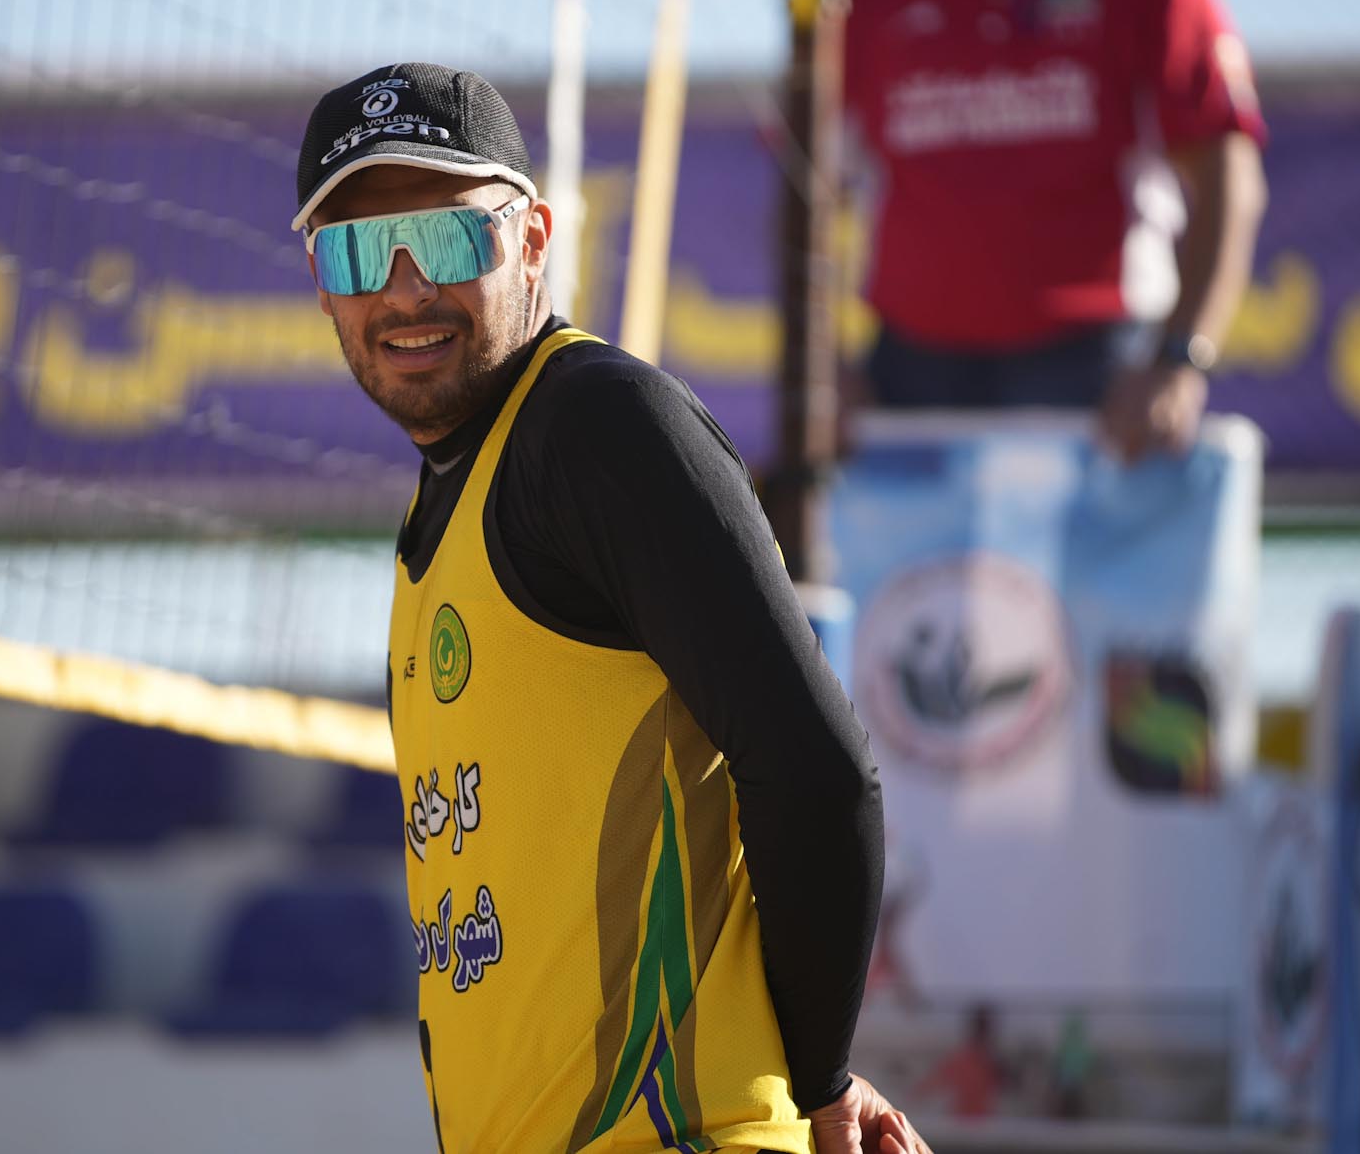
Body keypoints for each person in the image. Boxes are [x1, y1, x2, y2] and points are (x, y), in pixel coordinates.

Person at [295, 62, 925, 1154]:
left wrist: (816, 1081)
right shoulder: (443, 508)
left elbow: (817, 772)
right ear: (321, 288)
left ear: (533, 238)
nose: (402, 288)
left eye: (444, 236)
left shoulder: (595, 428)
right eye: (357, 251)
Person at [842, 0, 1268, 460]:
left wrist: (1179, 358)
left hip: (1099, 370)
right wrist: (823, 368)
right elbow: (804, 185)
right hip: (908, 371)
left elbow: (1230, 177)